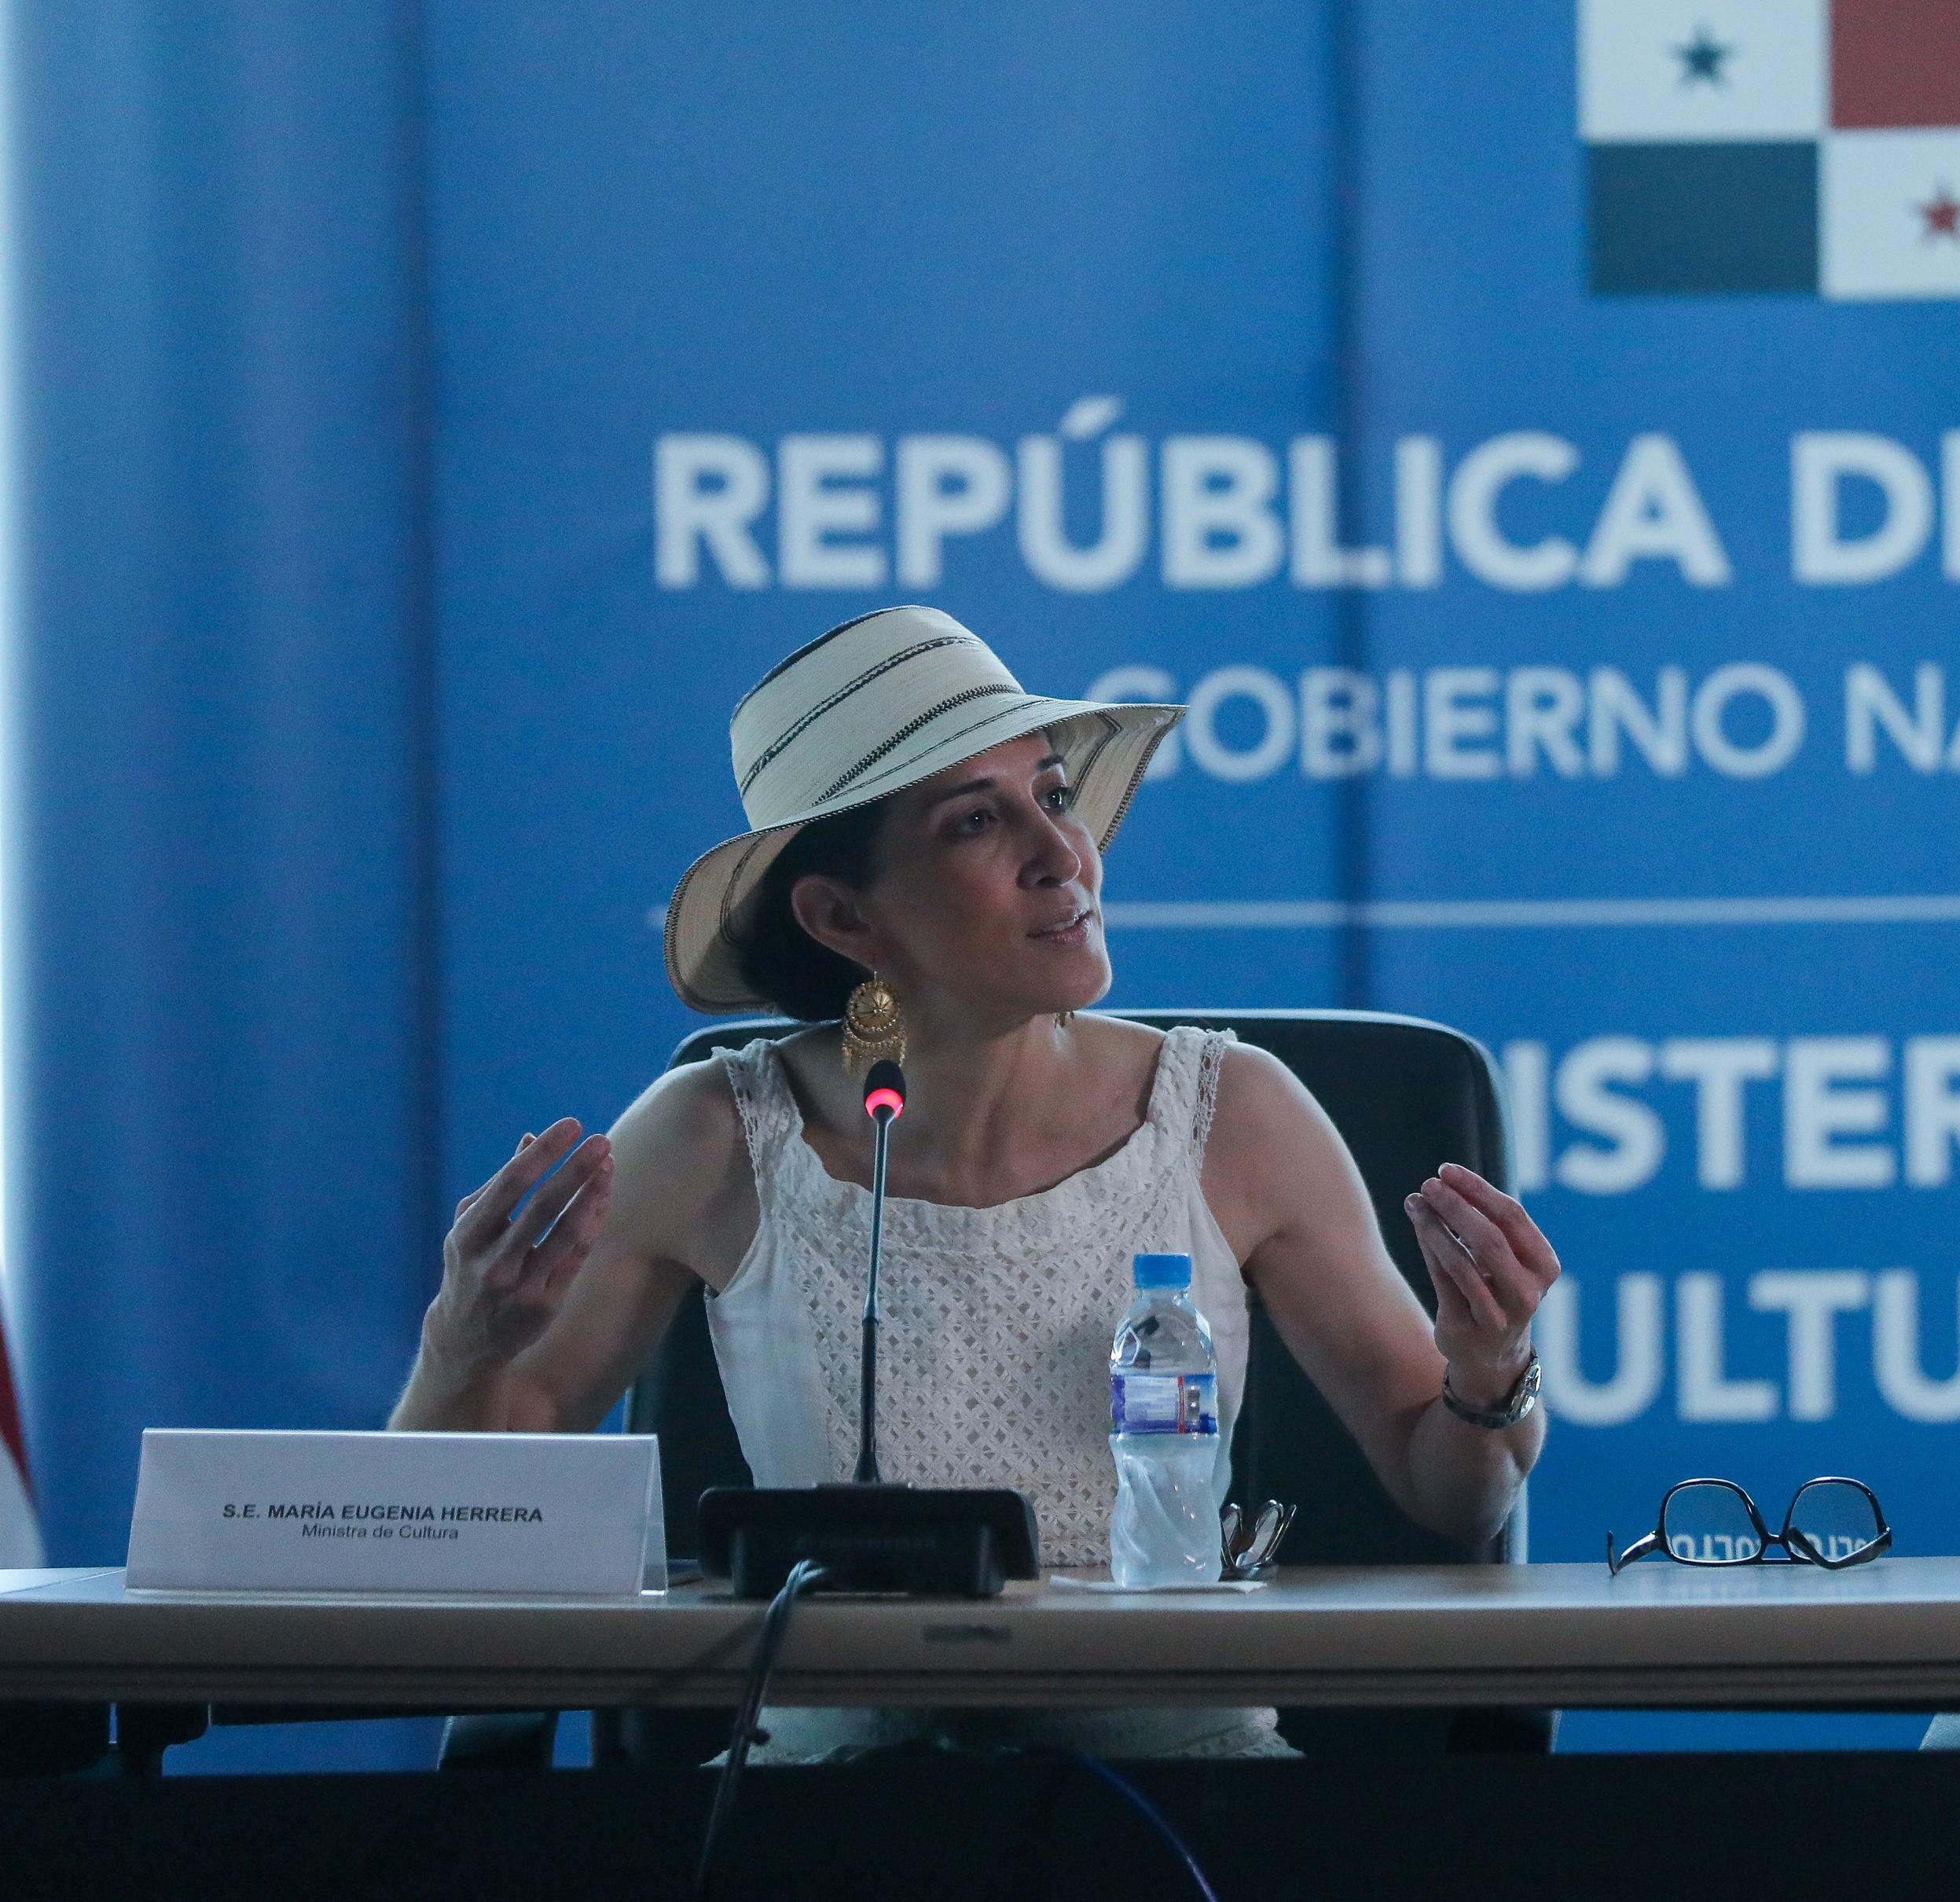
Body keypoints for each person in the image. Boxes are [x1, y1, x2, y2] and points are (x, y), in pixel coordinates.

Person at [391, 606, 1558, 1758]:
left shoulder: (1235, 1111)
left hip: (1188, 1804)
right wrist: (463, 1345)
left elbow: (1452, 1493)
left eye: (1053, 795)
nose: (1065, 854)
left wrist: (1489, 1370)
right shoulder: (712, 1134)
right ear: (843, 914)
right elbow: (450, 1522)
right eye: (974, 823)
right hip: (812, 1821)